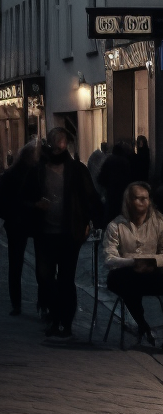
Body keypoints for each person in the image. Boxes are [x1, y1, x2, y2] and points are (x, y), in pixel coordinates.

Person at [29, 127, 102, 339]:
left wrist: (92, 221)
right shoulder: (39, 170)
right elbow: (24, 195)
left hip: (69, 232)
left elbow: (90, 196)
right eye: (55, 143)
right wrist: (35, 205)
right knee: (45, 277)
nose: (58, 148)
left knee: (66, 278)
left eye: (61, 143)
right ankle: (53, 316)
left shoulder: (76, 169)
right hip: (45, 232)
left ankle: (65, 322)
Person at [103, 182, 163, 352]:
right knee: (118, 280)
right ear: (129, 201)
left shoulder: (160, 222)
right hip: (127, 274)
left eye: (145, 198)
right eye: (137, 198)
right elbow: (109, 258)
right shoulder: (116, 225)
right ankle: (141, 322)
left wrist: (152, 261)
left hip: (152, 272)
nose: (142, 202)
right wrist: (133, 262)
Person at [0, 140, 40, 315]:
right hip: (30, 222)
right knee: (40, 264)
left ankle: (16, 304)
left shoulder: (10, 175)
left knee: (15, 265)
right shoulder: (36, 174)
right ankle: (42, 303)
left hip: (16, 224)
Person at [98, 141, 136, 226]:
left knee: (110, 213)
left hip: (111, 191)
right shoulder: (124, 161)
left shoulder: (109, 160)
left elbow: (102, 177)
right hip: (122, 191)